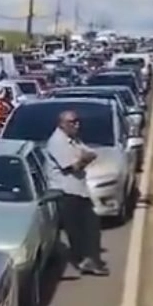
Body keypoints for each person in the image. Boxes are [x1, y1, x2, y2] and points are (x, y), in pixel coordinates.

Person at [45, 109, 108, 276]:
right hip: (65, 192)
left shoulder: (73, 140)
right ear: (62, 124)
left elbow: (90, 152)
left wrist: (85, 157)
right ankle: (84, 260)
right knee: (77, 231)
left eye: (77, 121)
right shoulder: (57, 142)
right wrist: (85, 158)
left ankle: (89, 260)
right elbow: (75, 166)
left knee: (91, 227)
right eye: (72, 122)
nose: (77, 125)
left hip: (79, 190)